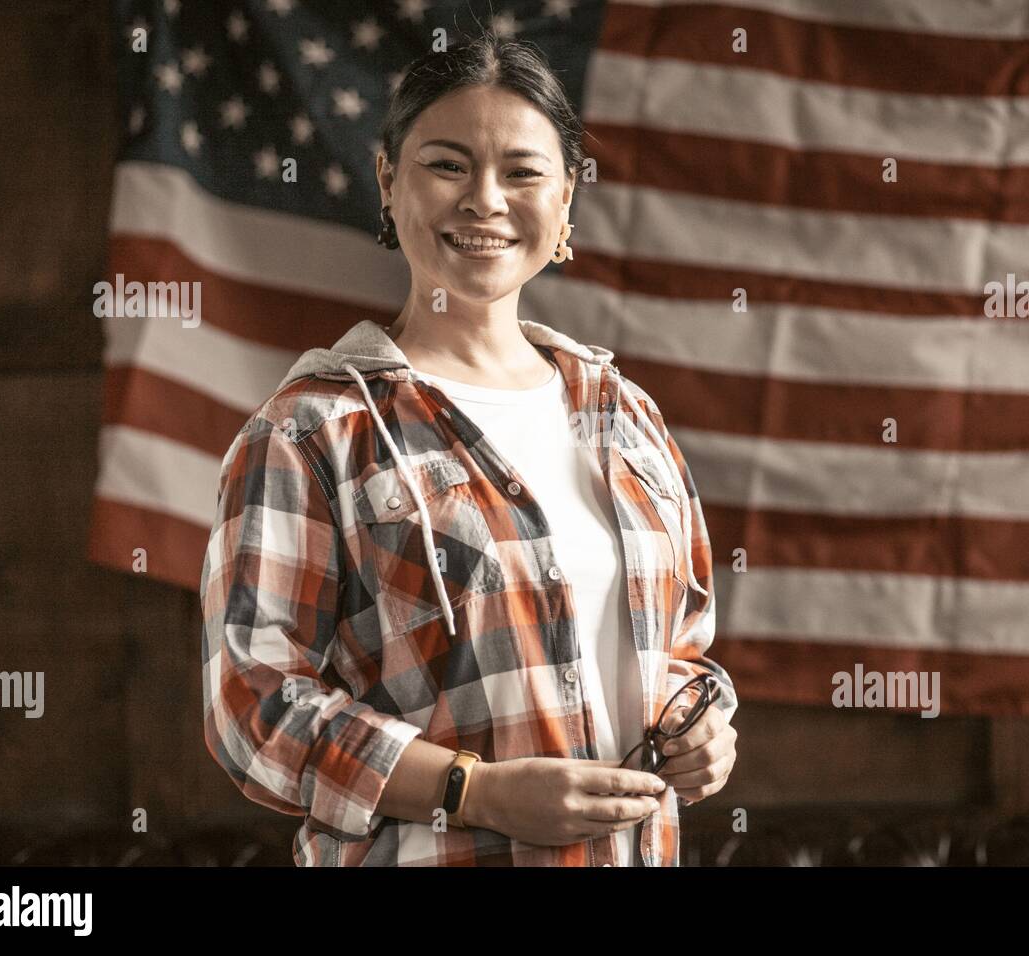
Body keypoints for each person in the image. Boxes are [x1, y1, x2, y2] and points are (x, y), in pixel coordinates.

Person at [200, 32, 738, 867]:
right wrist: (471, 791)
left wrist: (701, 726)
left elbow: (679, 649)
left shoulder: (625, 416)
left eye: (522, 172)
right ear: (389, 182)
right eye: (448, 165)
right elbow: (252, 705)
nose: (484, 200)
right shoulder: (310, 433)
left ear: (566, 202)